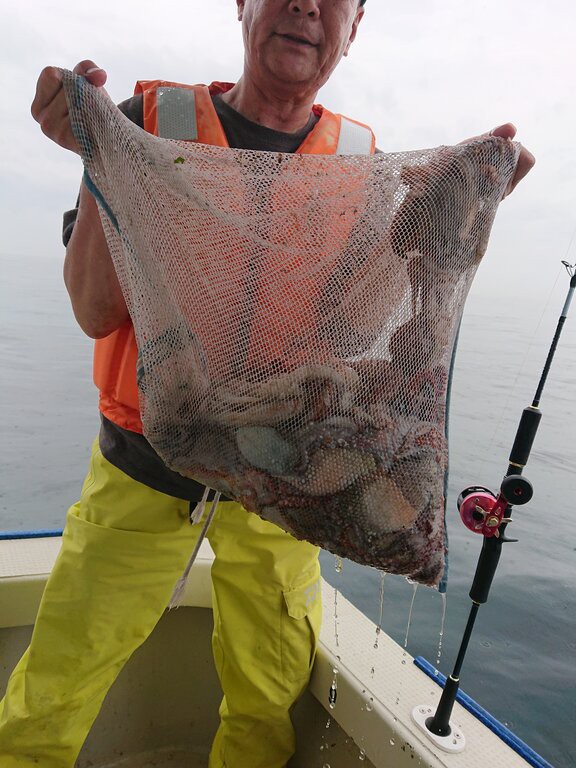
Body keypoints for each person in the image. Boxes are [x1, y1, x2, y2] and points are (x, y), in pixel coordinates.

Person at [0, 1, 535, 766]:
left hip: (288, 491)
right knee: (54, 687)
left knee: (265, 697)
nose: (305, 8)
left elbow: (348, 334)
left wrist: (437, 220)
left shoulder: (361, 162)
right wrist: (100, 155)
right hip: (142, 473)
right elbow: (94, 312)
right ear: (243, 7)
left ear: (355, 27)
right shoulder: (148, 121)